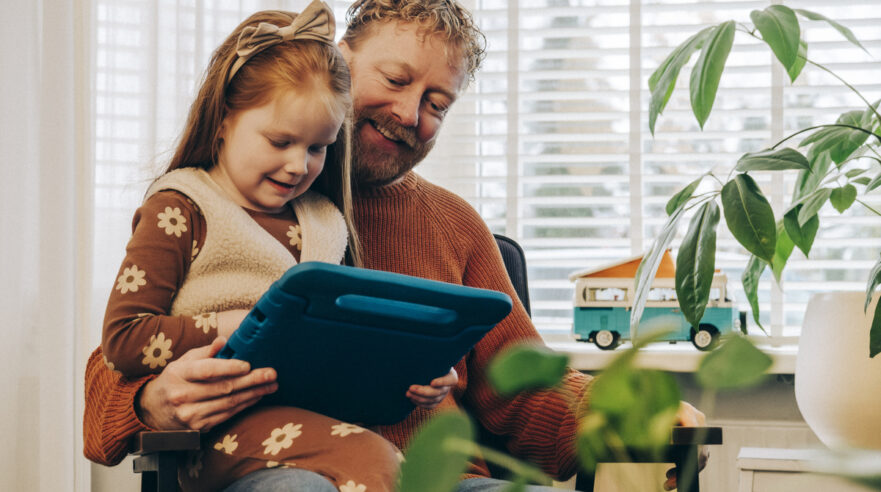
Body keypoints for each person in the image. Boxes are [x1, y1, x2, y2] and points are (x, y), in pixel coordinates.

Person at [84, 1, 706, 491]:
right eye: (396, 79)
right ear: (338, 61)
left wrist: (627, 407)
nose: (411, 113)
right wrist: (150, 400)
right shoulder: (212, 204)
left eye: (438, 103)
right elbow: (121, 351)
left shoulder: (450, 225)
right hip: (274, 464)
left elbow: (526, 379)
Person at [94, 2, 457, 490]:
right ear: (223, 119)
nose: (297, 166)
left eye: (316, 148)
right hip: (221, 436)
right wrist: (228, 326)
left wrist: (413, 380)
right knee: (375, 462)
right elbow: (123, 340)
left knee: (380, 460)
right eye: (280, 141)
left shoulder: (328, 222)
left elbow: (346, 365)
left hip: (321, 426)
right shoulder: (182, 208)